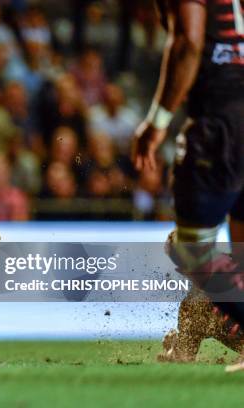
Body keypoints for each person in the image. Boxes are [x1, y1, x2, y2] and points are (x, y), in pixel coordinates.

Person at [130, 0, 243, 368]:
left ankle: (204, 329)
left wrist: (157, 120)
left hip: (220, 123)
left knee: (190, 250)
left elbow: (189, 42)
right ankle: (196, 334)